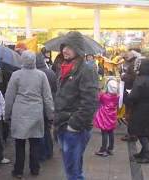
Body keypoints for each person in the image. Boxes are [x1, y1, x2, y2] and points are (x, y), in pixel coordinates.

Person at [54, 31, 99, 180]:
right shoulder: (65, 67)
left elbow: (90, 102)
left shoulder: (86, 69)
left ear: (78, 49)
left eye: (69, 47)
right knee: (72, 167)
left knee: (73, 172)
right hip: (62, 124)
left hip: (73, 128)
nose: (64, 50)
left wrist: (73, 125)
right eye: (63, 46)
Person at [5, 51, 54, 178]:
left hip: (19, 112)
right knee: (35, 143)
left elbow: (9, 97)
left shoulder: (16, 75)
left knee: (19, 144)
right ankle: (35, 168)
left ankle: (18, 171)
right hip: (36, 112)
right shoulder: (41, 75)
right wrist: (50, 114)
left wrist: (6, 114)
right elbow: (47, 97)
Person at [128, 58, 149, 164]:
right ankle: (143, 152)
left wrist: (128, 97)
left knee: (140, 132)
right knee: (147, 131)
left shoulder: (140, 79)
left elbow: (134, 96)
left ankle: (148, 155)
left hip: (140, 108)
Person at [36, 52, 57, 161]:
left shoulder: (36, 74)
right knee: (47, 129)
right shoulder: (51, 72)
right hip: (50, 103)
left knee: (41, 130)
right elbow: (55, 88)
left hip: (40, 104)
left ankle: (43, 153)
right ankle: (49, 151)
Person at [94, 79, 119, 157]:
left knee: (104, 133)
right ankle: (110, 148)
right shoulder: (117, 96)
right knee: (111, 133)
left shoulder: (104, 96)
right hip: (112, 116)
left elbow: (98, 99)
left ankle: (103, 150)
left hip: (104, 117)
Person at [120, 51, 137, 141]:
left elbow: (132, 77)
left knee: (130, 114)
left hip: (130, 91)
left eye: (127, 55)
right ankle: (131, 133)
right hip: (130, 90)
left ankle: (132, 134)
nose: (125, 56)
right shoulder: (131, 63)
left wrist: (124, 76)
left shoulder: (133, 64)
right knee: (129, 114)